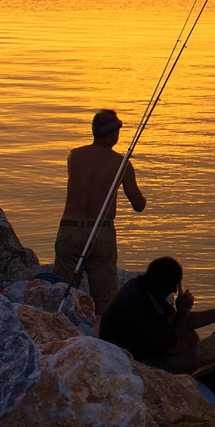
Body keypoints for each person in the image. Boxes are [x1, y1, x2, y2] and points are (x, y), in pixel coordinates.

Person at [52, 109, 146, 304]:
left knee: (63, 293)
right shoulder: (122, 164)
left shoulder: (74, 156)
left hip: (69, 231)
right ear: (114, 134)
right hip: (101, 233)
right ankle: (99, 333)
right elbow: (138, 205)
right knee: (105, 300)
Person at [99, 256, 215, 376]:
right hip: (125, 363)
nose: (174, 291)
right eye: (174, 286)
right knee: (191, 359)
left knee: (191, 337)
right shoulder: (140, 303)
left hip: (137, 348)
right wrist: (183, 312)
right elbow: (176, 347)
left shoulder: (144, 287)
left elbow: (177, 321)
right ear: (166, 286)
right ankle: (173, 388)